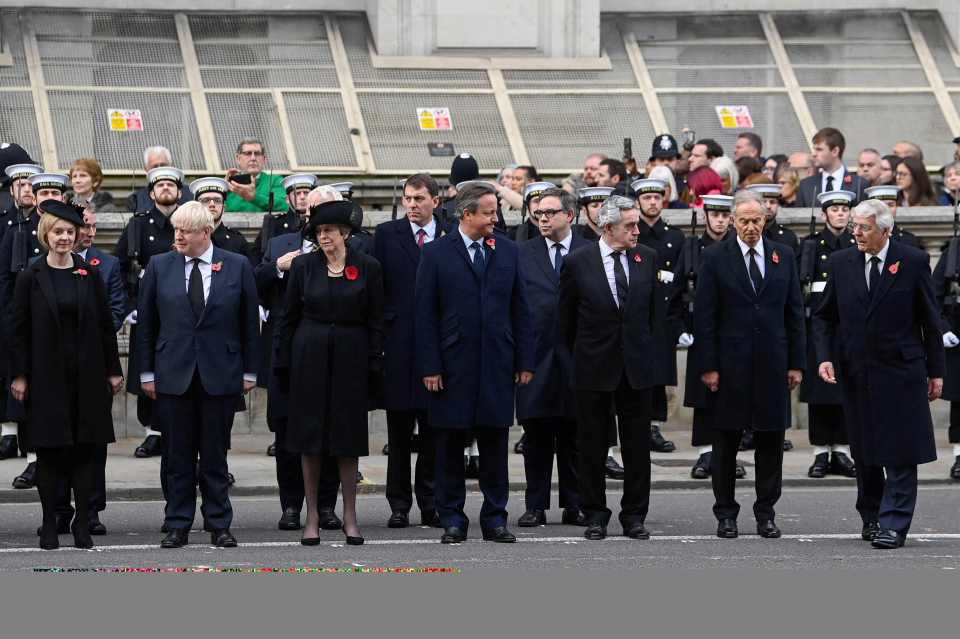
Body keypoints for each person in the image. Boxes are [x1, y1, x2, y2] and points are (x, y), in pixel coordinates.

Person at [813, 198, 943, 549]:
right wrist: (824, 357)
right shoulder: (841, 263)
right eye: (854, 225)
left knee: (901, 450)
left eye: (864, 227)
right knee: (865, 450)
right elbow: (824, 316)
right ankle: (871, 516)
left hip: (902, 370)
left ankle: (894, 524)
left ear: (885, 231)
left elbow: (930, 320)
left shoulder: (913, 261)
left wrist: (937, 371)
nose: (856, 232)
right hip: (857, 371)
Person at [415, 182, 534, 544]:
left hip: (497, 363)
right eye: (488, 212)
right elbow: (425, 314)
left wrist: (524, 360)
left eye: (495, 211)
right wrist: (430, 365)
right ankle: (452, 517)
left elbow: (521, 310)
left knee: (495, 446)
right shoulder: (437, 254)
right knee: (450, 446)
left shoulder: (509, 252)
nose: (495, 219)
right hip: (452, 367)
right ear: (466, 214)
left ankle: (495, 518)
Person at [137, 201, 259, 549]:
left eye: (185, 231)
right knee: (177, 457)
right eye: (175, 229)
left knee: (215, 456)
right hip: (172, 375)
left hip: (220, 374)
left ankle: (219, 523)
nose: (177, 236)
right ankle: (177, 523)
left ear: (206, 232)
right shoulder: (160, 266)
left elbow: (250, 323)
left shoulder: (236, 266)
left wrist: (250, 371)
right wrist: (146, 373)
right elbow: (146, 325)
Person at [11, 199, 123, 550]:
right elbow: (18, 328)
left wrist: (112, 371)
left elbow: (106, 325)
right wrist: (19, 375)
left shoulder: (88, 274)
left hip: (87, 376)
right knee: (49, 453)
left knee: (85, 452)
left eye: (70, 233)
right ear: (47, 234)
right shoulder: (31, 275)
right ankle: (49, 521)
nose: (64, 238)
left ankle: (82, 522)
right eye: (58, 232)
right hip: (46, 377)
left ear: (77, 237)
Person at [694, 189, 805, 540]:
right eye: (744, 220)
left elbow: (794, 313)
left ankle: (765, 512)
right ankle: (726, 513)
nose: (751, 227)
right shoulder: (714, 257)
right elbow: (705, 317)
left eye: (757, 220)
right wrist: (708, 366)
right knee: (725, 444)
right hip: (729, 367)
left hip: (773, 364)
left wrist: (796, 363)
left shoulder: (783, 255)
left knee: (771, 442)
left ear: (766, 220)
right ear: (732, 221)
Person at [276, 199, 383, 546]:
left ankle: (350, 515)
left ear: (345, 234)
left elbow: (377, 319)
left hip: (351, 358)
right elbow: (288, 319)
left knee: (347, 439)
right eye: (319, 232)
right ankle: (312, 517)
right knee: (309, 439)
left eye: (329, 231)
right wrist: (284, 363)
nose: (323, 237)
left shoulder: (368, 266)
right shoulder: (304, 267)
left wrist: (374, 362)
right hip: (310, 356)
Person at [559, 195, 658, 540]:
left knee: (636, 447)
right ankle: (595, 514)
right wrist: (584, 355)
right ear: (607, 227)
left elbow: (652, 317)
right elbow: (566, 320)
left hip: (636, 369)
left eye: (636, 223)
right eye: (629, 225)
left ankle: (634, 515)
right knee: (592, 446)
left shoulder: (647, 257)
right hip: (593, 367)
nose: (637, 230)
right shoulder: (578, 262)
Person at [255, 185, 345, 532]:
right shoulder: (282, 243)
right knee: (288, 433)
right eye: (313, 209)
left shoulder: (353, 248)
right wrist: (278, 266)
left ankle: (325, 505)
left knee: (331, 433)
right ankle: (291, 506)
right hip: (288, 354)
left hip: (333, 354)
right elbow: (255, 283)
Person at [44, 202, 127, 536]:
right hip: (52, 371)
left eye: (85, 226)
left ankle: (90, 510)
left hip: (90, 367)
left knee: (91, 445)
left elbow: (112, 315)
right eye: (76, 226)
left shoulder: (101, 268)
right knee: (56, 444)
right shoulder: (36, 270)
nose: (83, 232)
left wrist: (110, 365)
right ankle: (60, 510)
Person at [516, 188, 586, 527]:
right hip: (535, 359)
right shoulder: (523, 253)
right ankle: (535, 504)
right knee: (537, 436)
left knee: (575, 435)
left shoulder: (589, 250)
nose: (542, 218)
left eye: (550, 213)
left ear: (569, 215)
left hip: (578, 358)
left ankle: (575, 503)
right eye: (538, 214)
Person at [373, 174, 440, 529]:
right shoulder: (387, 235)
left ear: (436, 201)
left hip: (436, 351)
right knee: (398, 434)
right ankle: (399, 503)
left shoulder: (448, 234)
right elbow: (374, 286)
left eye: (419, 198)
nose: (412, 205)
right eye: (407, 199)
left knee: (433, 432)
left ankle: (430, 501)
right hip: (398, 348)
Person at [3, 172, 69, 490]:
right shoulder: (17, 229)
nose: (47, 198)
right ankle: (32, 461)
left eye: (54, 192)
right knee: (28, 398)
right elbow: (5, 279)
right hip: (30, 326)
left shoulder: (70, 229)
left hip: (65, 327)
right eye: (42, 194)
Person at [674, 195, 746, 481]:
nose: (719, 220)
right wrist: (680, 327)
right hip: (700, 332)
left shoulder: (737, 248)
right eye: (714, 215)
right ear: (706, 217)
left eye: (723, 215)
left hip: (732, 333)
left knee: (733, 396)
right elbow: (678, 291)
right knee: (704, 396)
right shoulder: (693, 247)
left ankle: (730, 454)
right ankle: (705, 452)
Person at [115, 167, 183, 462]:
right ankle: (151, 434)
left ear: (180, 192)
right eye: (160, 185)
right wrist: (130, 306)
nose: (166, 189)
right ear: (151, 193)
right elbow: (120, 269)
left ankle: (174, 432)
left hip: (180, 308)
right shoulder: (138, 225)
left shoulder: (186, 222)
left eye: (171, 184)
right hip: (146, 307)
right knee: (147, 367)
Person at [798, 191, 858, 479]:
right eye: (834, 209)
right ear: (824, 214)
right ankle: (821, 452)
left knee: (845, 387)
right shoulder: (812, 245)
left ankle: (843, 450)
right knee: (820, 391)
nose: (840, 214)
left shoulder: (854, 244)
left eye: (844, 209)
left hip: (846, 324)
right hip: (818, 324)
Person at [631, 178, 683, 453]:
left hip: (665, 316)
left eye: (657, 198)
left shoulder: (674, 237)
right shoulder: (632, 234)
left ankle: (654, 427)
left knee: (660, 375)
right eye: (647, 198)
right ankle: (636, 426)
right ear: (638, 201)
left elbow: (681, 281)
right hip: (638, 314)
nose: (652, 203)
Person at [0, 162, 42, 461]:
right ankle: (8, 433)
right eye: (20, 186)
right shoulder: (9, 223)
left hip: (38, 310)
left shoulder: (45, 224)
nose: (26, 190)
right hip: (12, 309)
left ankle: (31, 449)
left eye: (30, 185)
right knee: (9, 370)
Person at [794, 128, 870, 208]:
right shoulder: (806, 185)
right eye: (814, 149)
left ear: (835, 151)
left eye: (819, 149)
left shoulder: (859, 184)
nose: (814, 154)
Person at [252, 173, 316, 265]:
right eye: (297, 193)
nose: (302, 197)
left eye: (306, 193)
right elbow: (258, 261)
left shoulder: (319, 223)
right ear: (287, 199)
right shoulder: (275, 225)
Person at [191, 177, 252, 260]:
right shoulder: (186, 238)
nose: (212, 204)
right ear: (196, 206)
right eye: (205, 200)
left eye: (217, 200)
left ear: (224, 207)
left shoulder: (237, 241)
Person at [224, 138, 287, 213]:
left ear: (264, 159)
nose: (253, 158)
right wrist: (223, 188)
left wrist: (254, 197)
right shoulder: (229, 184)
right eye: (248, 153)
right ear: (238, 158)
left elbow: (284, 206)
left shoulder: (274, 180)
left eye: (257, 153)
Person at [124, 147, 193, 212]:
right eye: (155, 166)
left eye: (163, 165)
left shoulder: (190, 195)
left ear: (171, 166)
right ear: (146, 169)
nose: (160, 169)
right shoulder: (136, 200)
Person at [864, 185, 924, 251]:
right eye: (880, 205)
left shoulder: (908, 240)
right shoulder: (860, 238)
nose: (886, 209)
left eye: (890, 205)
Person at [747, 183, 799, 252]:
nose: (768, 206)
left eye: (772, 202)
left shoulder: (788, 237)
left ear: (778, 205)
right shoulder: (743, 234)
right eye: (763, 202)